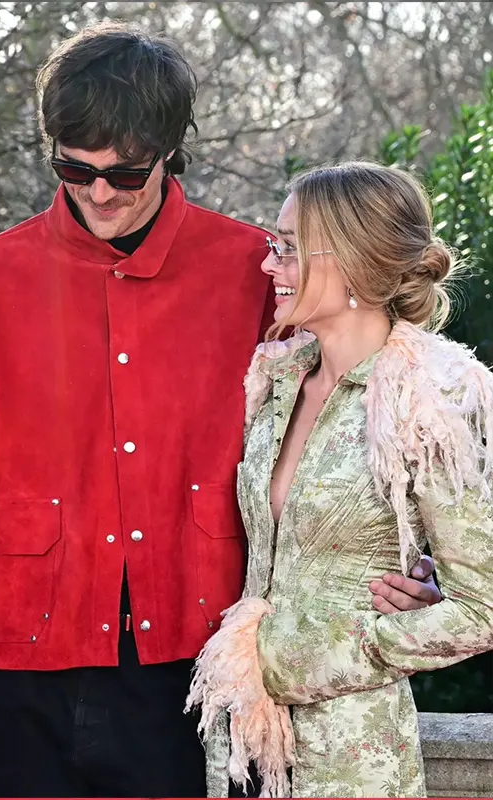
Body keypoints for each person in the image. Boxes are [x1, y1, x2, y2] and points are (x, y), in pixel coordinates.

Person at [0, 26, 440, 800]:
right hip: (25, 671)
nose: (99, 194)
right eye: (74, 169)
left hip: (203, 662)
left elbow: (355, 414)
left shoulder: (256, 272)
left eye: (125, 173)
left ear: (171, 151)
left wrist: (412, 553)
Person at [186, 161, 493, 799]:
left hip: (353, 755)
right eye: (274, 245)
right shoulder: (276, 379)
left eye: (289, 249)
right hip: (243, 744)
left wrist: (331, 652)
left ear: (352, 260)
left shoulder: (426, 398)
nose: (269, 264)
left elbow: (482, 607)